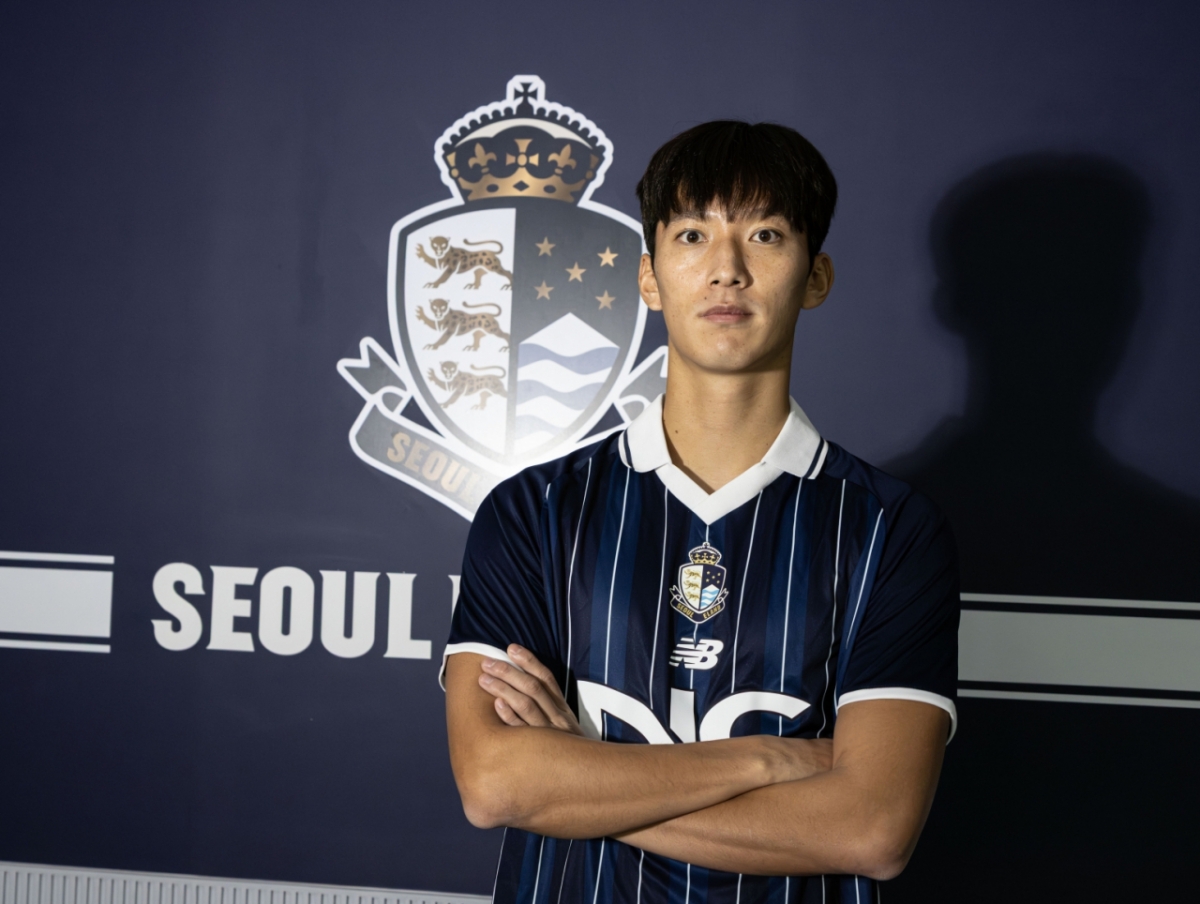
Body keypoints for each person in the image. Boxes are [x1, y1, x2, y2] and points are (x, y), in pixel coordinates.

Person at [441, 121, 959, 904]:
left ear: (816, 277)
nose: (727, 269)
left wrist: (576, 778)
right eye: (692, 235)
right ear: (649, 278)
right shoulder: (531, 511)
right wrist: (771, 759)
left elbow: (870, 829)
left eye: (766, 235)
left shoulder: (892, 529)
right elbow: (493, 784)